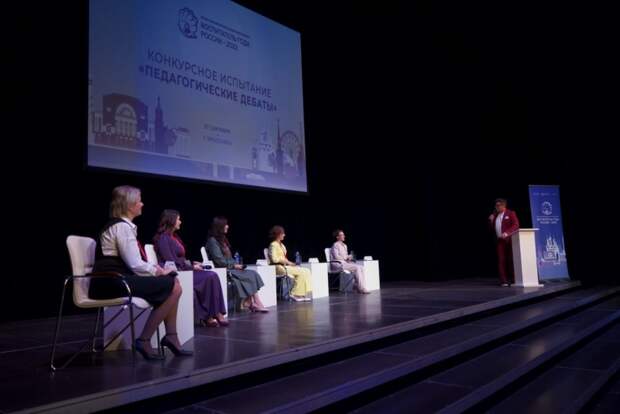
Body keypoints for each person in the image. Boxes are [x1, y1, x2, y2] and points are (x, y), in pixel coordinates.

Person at [89, 186, 192, 360]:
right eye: (139, 201)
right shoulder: (121, 227)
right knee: (173, 284)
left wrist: (158, 271)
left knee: (173, 282)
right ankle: (146, 339)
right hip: (111, 282)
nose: (142, 204)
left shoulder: (123, 226)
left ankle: (170, 336)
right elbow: (135, 264)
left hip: (116, 279)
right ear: (129, 205)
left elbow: (134, 262)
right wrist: (158, 271)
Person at [153, 210, 229, 327]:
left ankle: (216, 313)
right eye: (178, 219)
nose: (180, 222)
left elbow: (181, 258)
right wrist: (192, 267)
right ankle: (209, 316)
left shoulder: (174, 237)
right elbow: (171, 261)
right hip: (178, 273)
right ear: (171, 221)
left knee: (212, 275)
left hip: (184, 269)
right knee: (210, 276)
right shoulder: (163, 238)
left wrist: (192, 264)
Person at [205, 217, 268, 312]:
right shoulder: (212, 241)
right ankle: (254, 302)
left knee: (253, 273)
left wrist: (237, 264)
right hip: (223, 270)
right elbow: (220, 261)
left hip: (230, 268)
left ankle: (251, 302)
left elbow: (229, 258)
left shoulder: (222, 240)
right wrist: (234, 265)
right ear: (219, 226)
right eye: (225, 224)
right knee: (250, 275)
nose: (227, 226)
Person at [267, 225, 312, 301]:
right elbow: (274, 259)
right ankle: (294, 294)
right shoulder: (273, 245)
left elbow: (285, 259)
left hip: (284, 266)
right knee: (303, 271)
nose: (284, 235)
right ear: (278, 234)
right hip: (278, 268)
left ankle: (301, 294)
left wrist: (291, 263)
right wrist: (284, 261)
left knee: (306, 270)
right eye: (282, 233)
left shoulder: (281, 245)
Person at [488, 198, 520, 286]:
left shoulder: (510, 213)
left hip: (510, 240)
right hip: (500, 241)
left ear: (504, 205)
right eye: (496, 206)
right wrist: (491, 221)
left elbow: (516, 225)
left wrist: (506, 233)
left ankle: (513, 279)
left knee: (511, 260)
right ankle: (503, 280)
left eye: (498, 205)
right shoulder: (495, 215)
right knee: (501, 260)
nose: (496, 207)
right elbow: (491, 229)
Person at [330, 229, 369, 294]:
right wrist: (346, 258)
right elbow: (336, 257)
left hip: (345, 263)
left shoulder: (345, 245)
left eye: (343, 235)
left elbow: (345, 256)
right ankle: (361, 288)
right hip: (338, 264)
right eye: (342, 235)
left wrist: (349, 257)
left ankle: (357, 285)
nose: (344, 236)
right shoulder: (335, 245)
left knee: (361, 267)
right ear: (337, 237)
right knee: (357, 268)